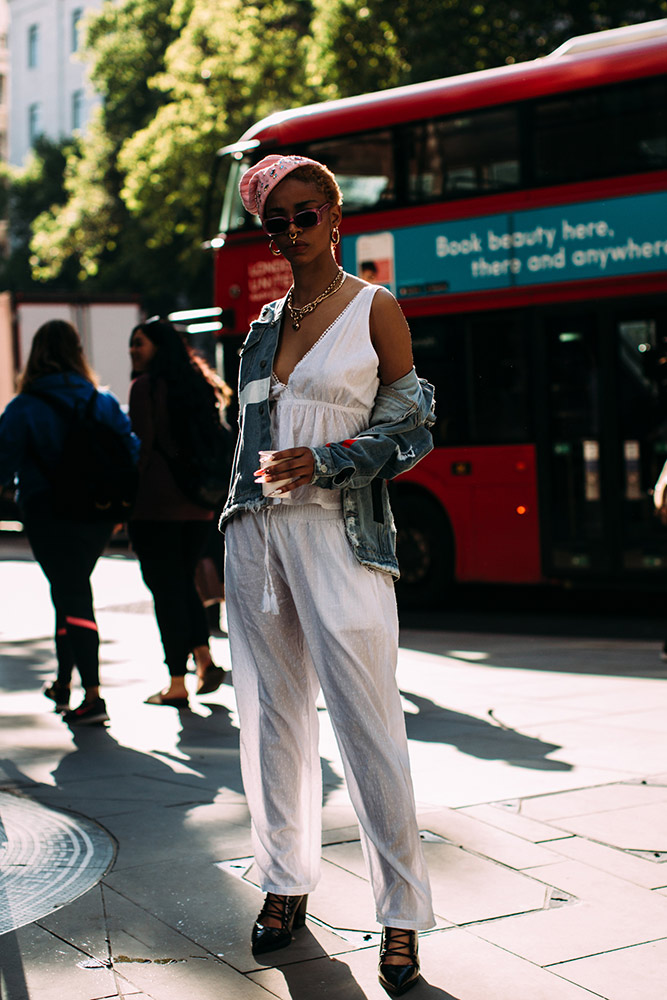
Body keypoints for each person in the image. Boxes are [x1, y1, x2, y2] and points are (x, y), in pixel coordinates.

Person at [219, 154, 436, 996]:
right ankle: (284, 882)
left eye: (305, 215)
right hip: (254, 539)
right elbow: (242, 445)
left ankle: (402, 917)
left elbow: (414, 425)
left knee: (368, 725)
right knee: (271, 721)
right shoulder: (263, 322)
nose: (291, 232)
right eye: (276, 222)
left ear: (336, 217)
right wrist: (228, 521)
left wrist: (332, 460)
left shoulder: (373, 308)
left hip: (338, 535)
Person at [0, 319, 139, 725]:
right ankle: (63, 682)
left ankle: (93, 696)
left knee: (72, 592)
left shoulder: (24, 406)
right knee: (68, 588)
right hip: (96, 514)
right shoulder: (102, 401)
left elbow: (3, 464)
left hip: (47, 515)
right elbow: (130, 452)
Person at [128, 318, 230, 706]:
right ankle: (203, 660)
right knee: (182, 582)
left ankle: (175, 681)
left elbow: (140, 449)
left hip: (156, 505)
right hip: (200, 505)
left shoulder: (146, 388)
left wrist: (126, 502)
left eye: (140, 344)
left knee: (165, 590)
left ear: (159, 347)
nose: (134, 351)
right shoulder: (198, 384)